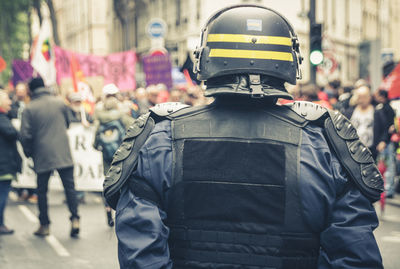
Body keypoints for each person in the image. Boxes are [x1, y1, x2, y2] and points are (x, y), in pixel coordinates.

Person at [104, 5, 384, 268]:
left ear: (205, 61)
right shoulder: (325, 145)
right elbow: (355, 255)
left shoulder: (161, 139)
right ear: (290, 63)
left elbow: (141, 254)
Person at [19, 78, 80, 237]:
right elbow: (68, 123)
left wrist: (29, 153)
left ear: (31, 90)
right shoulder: (59, 103)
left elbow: (25, 135)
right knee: (70, 189)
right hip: (63, 152)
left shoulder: (29, 108)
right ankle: (75, 218)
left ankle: (44, 225)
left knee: (42, 191)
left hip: (42, 153)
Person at [94, 83, 133, 227]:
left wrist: (97, 146)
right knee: (124, 182)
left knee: (109, 182)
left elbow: (95, 135)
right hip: (122, 153)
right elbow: (132, 129)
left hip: (107, 155)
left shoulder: (98, 113)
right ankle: (123, 213)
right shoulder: (123, 112)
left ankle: (108, 210)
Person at [344, 86, 388, 160]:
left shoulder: (377, 112)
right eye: (359, 97)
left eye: (364, 97)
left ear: (369, 97)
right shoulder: (350, 112)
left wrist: (382, 141)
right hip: (353, 150)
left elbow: (385, 128)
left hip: (371, 150)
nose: (362, 100)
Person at [0, 91, 22, 235]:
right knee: (2, 197)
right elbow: (13, 133)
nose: (10, 102)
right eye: (7, 99)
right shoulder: (2, 118)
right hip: (4, 166)